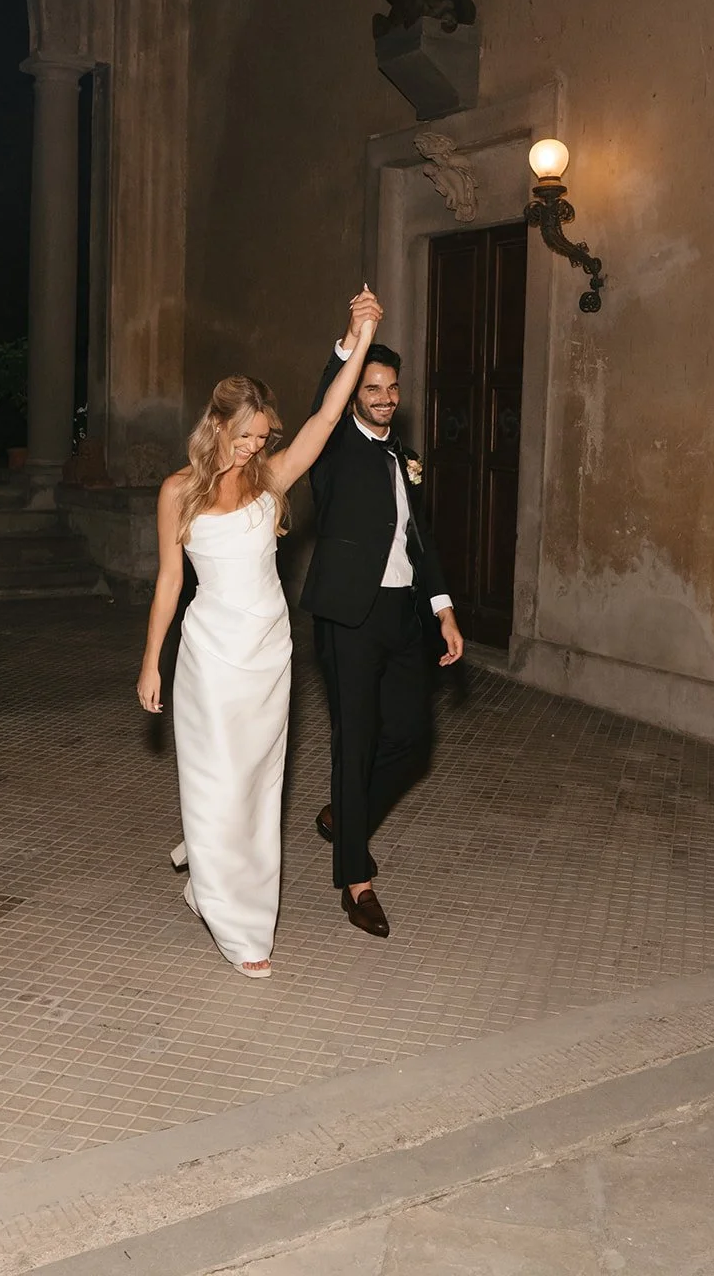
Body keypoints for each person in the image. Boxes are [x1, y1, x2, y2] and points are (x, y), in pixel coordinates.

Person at [135, 296, 379, 979]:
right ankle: (239, 929)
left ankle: (213, 878)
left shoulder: (271, 481)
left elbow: (330, 416)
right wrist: (151, 662)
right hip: (209, 655)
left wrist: (362, 336)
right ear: (217, 426)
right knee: (216, 784)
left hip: (270, 655)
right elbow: (167, 585)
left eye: (263, 437)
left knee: (256, 788)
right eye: (245, 437)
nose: (255, 448)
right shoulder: (178, 492)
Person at [301, 287, 464, 939]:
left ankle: (349, 811)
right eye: (372, 386)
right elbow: (324, 402)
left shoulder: (405, 456)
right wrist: (351, 339)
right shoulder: (335, 445)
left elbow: (417, 539)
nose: (384, 397)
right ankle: (356, 880)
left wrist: (444, 609)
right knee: (357, 737)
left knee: (413, 740)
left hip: (402, 615)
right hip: (348, 615)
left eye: (391, 387)